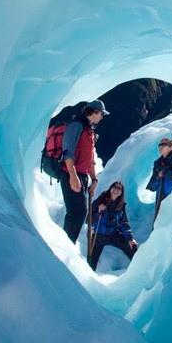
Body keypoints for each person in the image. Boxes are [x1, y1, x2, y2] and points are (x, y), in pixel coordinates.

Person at [59, 99, 107, 243]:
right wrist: (73, 176)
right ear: (94, 112)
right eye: (101, 114)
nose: (102, 117)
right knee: (77, 213)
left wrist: (94, 179)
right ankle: (64, 246)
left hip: (82, 176)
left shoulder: (89, 130)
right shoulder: (76, 126)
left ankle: (65, 243)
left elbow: (90, 159)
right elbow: (68, 153)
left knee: (78, 212)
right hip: (70, 174)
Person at [88, 181, 138, 271]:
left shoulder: (121, 205)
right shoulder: (100, 200)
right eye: (115, 187)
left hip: (113, 234)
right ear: (111, 188)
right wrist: (98, 211)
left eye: (119, 189)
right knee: (91, 262)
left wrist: (130, 239)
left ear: (121, 193)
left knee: (131, 247)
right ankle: (87, 280)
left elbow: (123, 223)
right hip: (99, 235)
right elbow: (88, 220)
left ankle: (139, 270)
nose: (116, 190)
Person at [146, 137, 172, 225]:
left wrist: (164, 172)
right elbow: (152, 185)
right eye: (159, 145)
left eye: (164, 144)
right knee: (159, 223)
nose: (160, 147)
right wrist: (157, 176)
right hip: (160, 196)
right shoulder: (157, 163)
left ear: (171, 147)